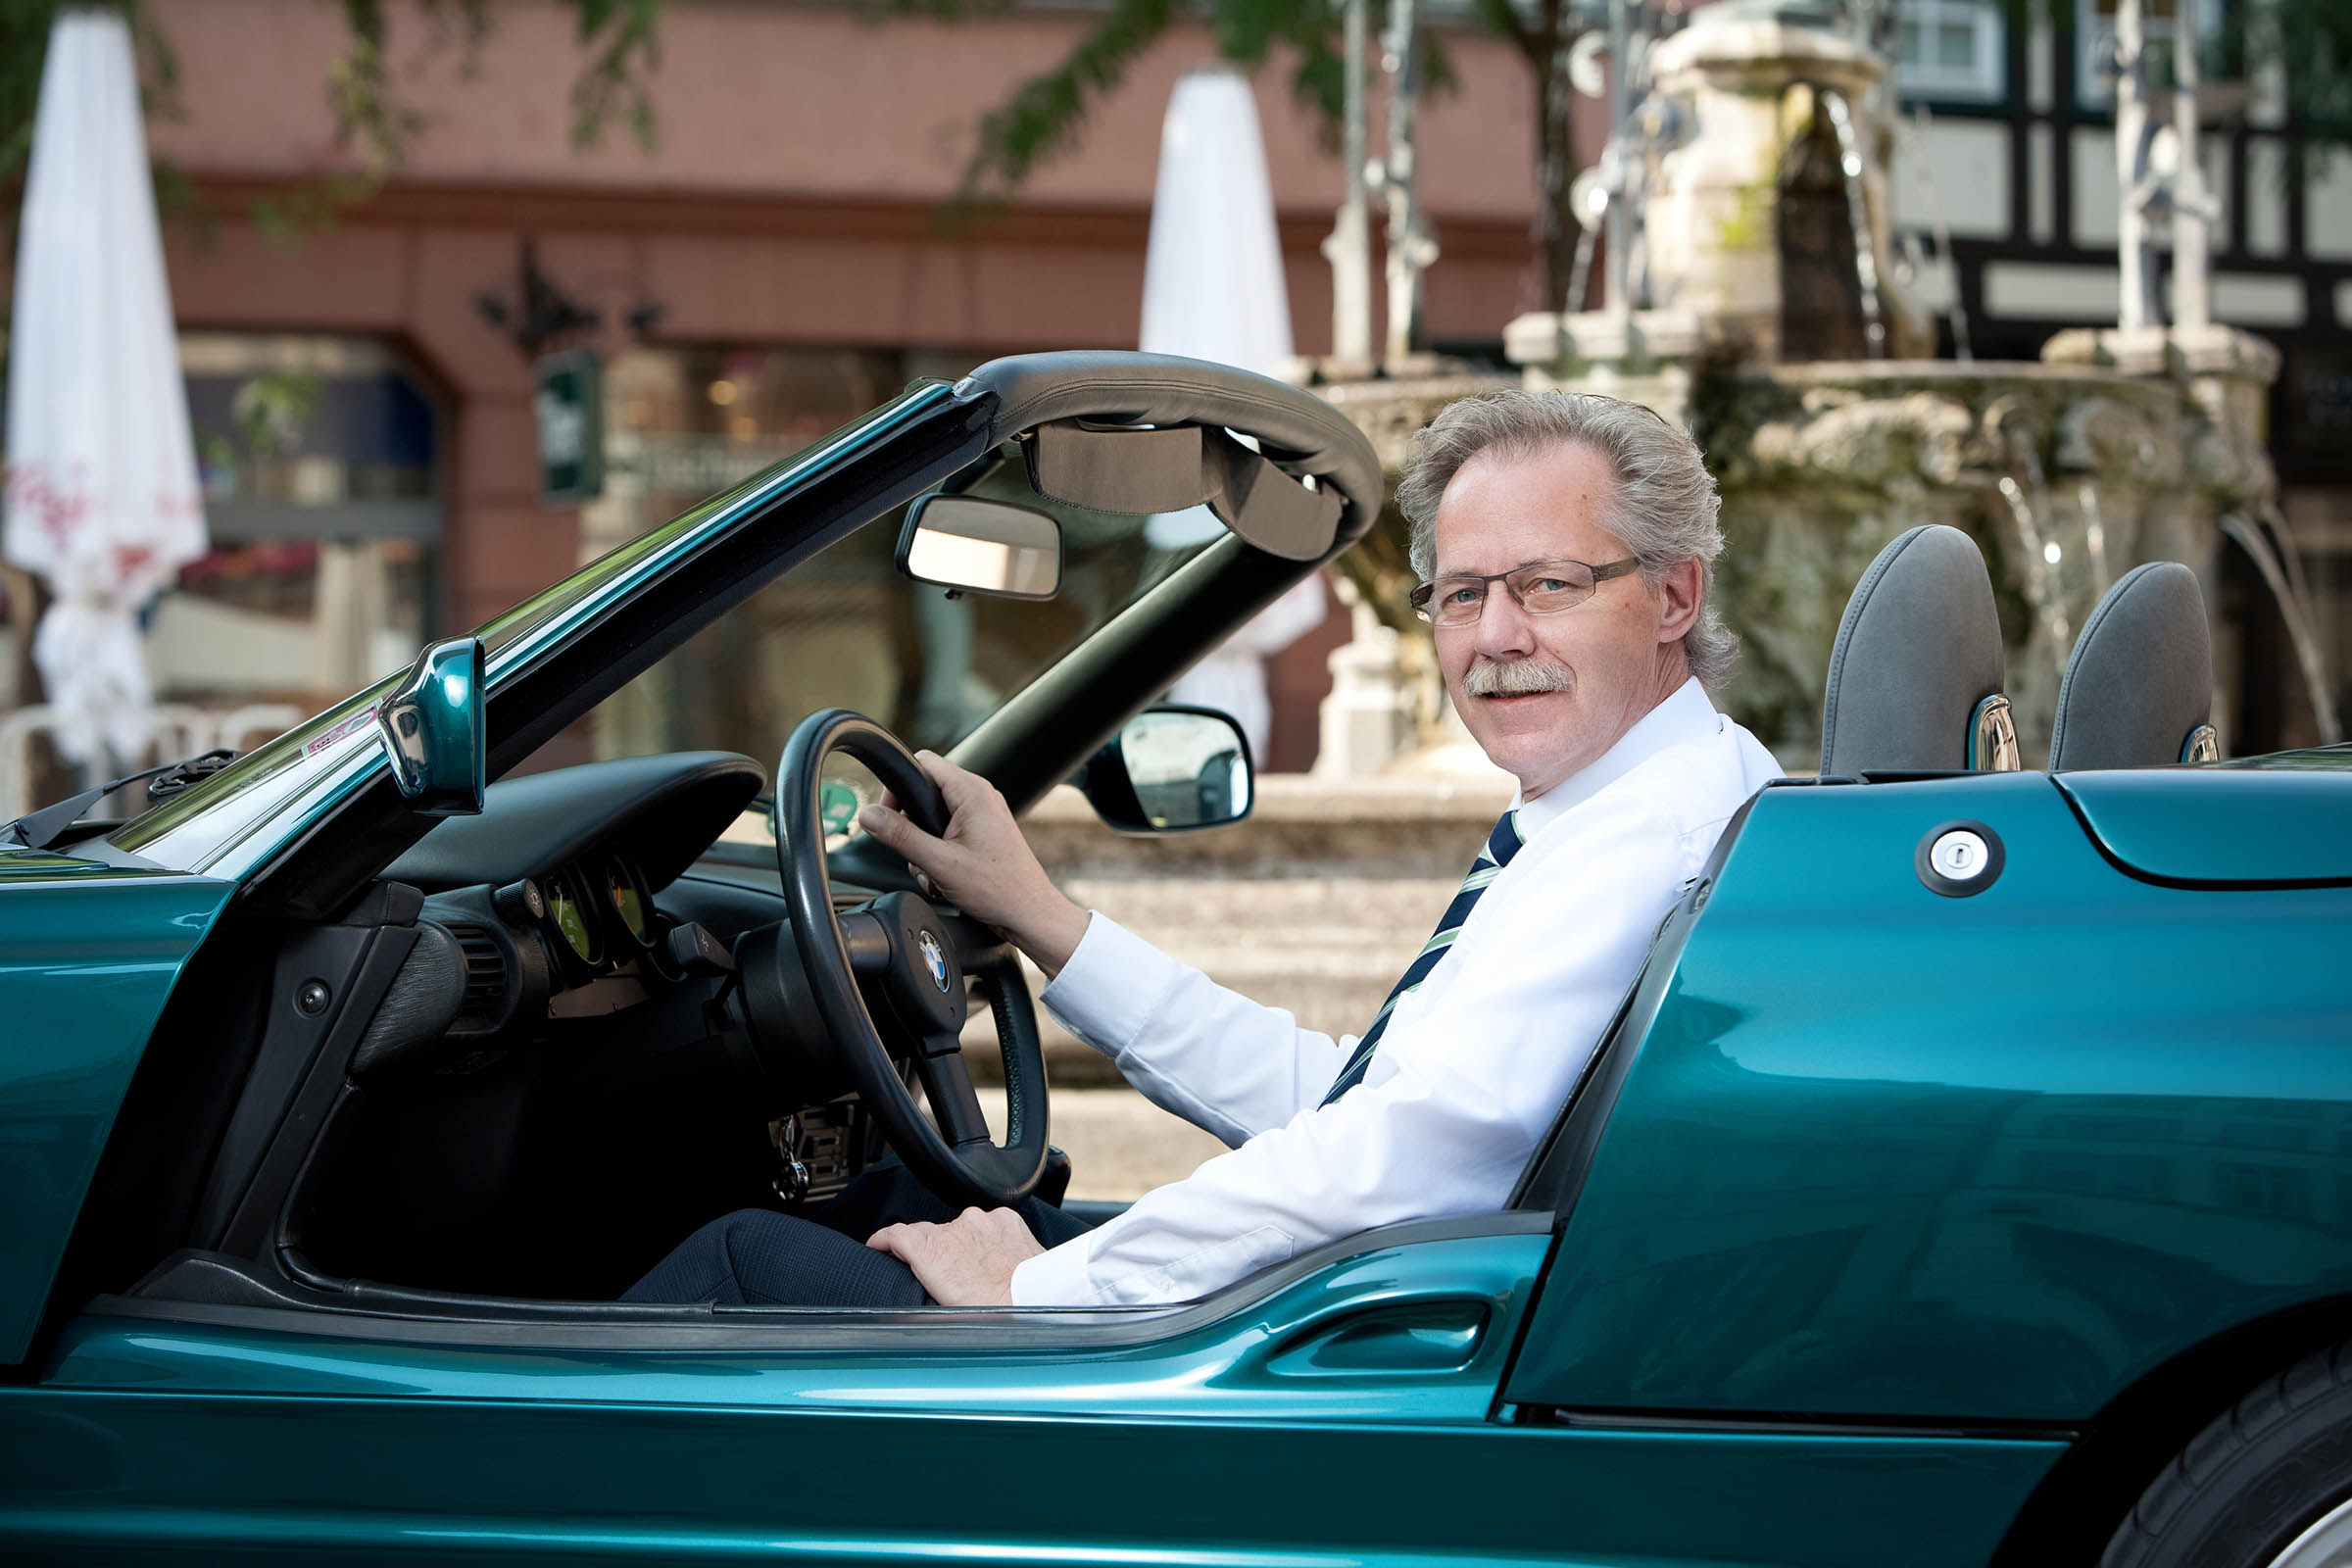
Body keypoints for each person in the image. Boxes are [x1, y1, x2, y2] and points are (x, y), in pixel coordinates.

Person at [625, 389, 1783, 1311]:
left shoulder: (1644, 837)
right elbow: (1350, 1102)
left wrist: (1037, 1287)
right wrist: (1044, 919)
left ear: (1674, 594)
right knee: (875, 1200)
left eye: (1547, 585)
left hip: (1400, 1334)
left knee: (741, 1262)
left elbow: (1402, 1160)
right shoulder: (1642, 802)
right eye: (1462, 593)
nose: (1494, 637)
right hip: (1414, 1300)